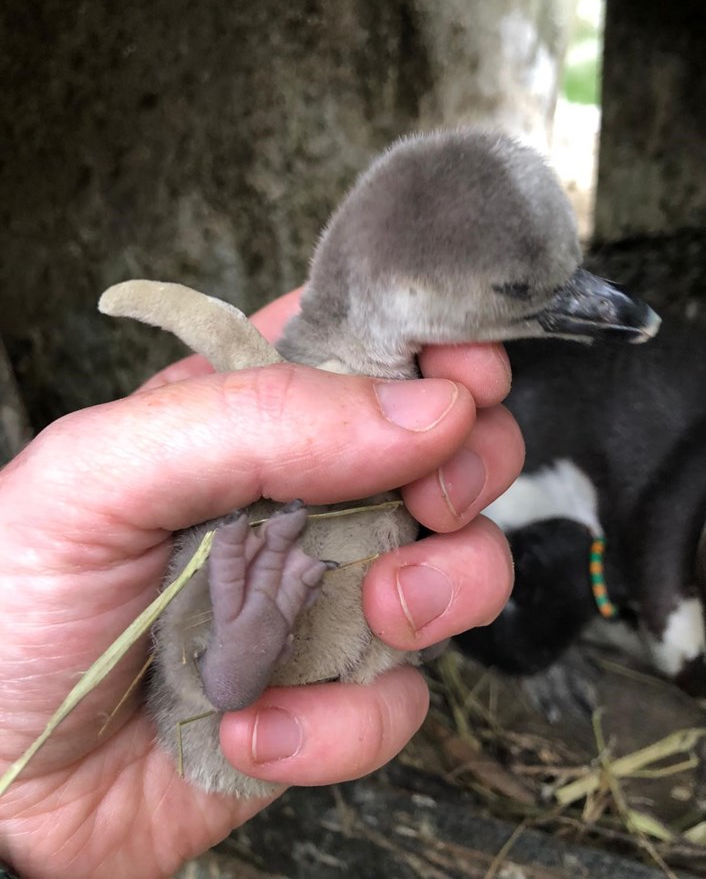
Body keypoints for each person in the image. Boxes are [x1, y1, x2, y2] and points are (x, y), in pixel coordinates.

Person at [0, 289, 523, 879]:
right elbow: (222, 335)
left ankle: (260, 652)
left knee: (412, 601)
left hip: (230, 702)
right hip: (213, 688)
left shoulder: (388, 396)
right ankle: (233, 660)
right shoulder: (294, 382)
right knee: (261, 607)